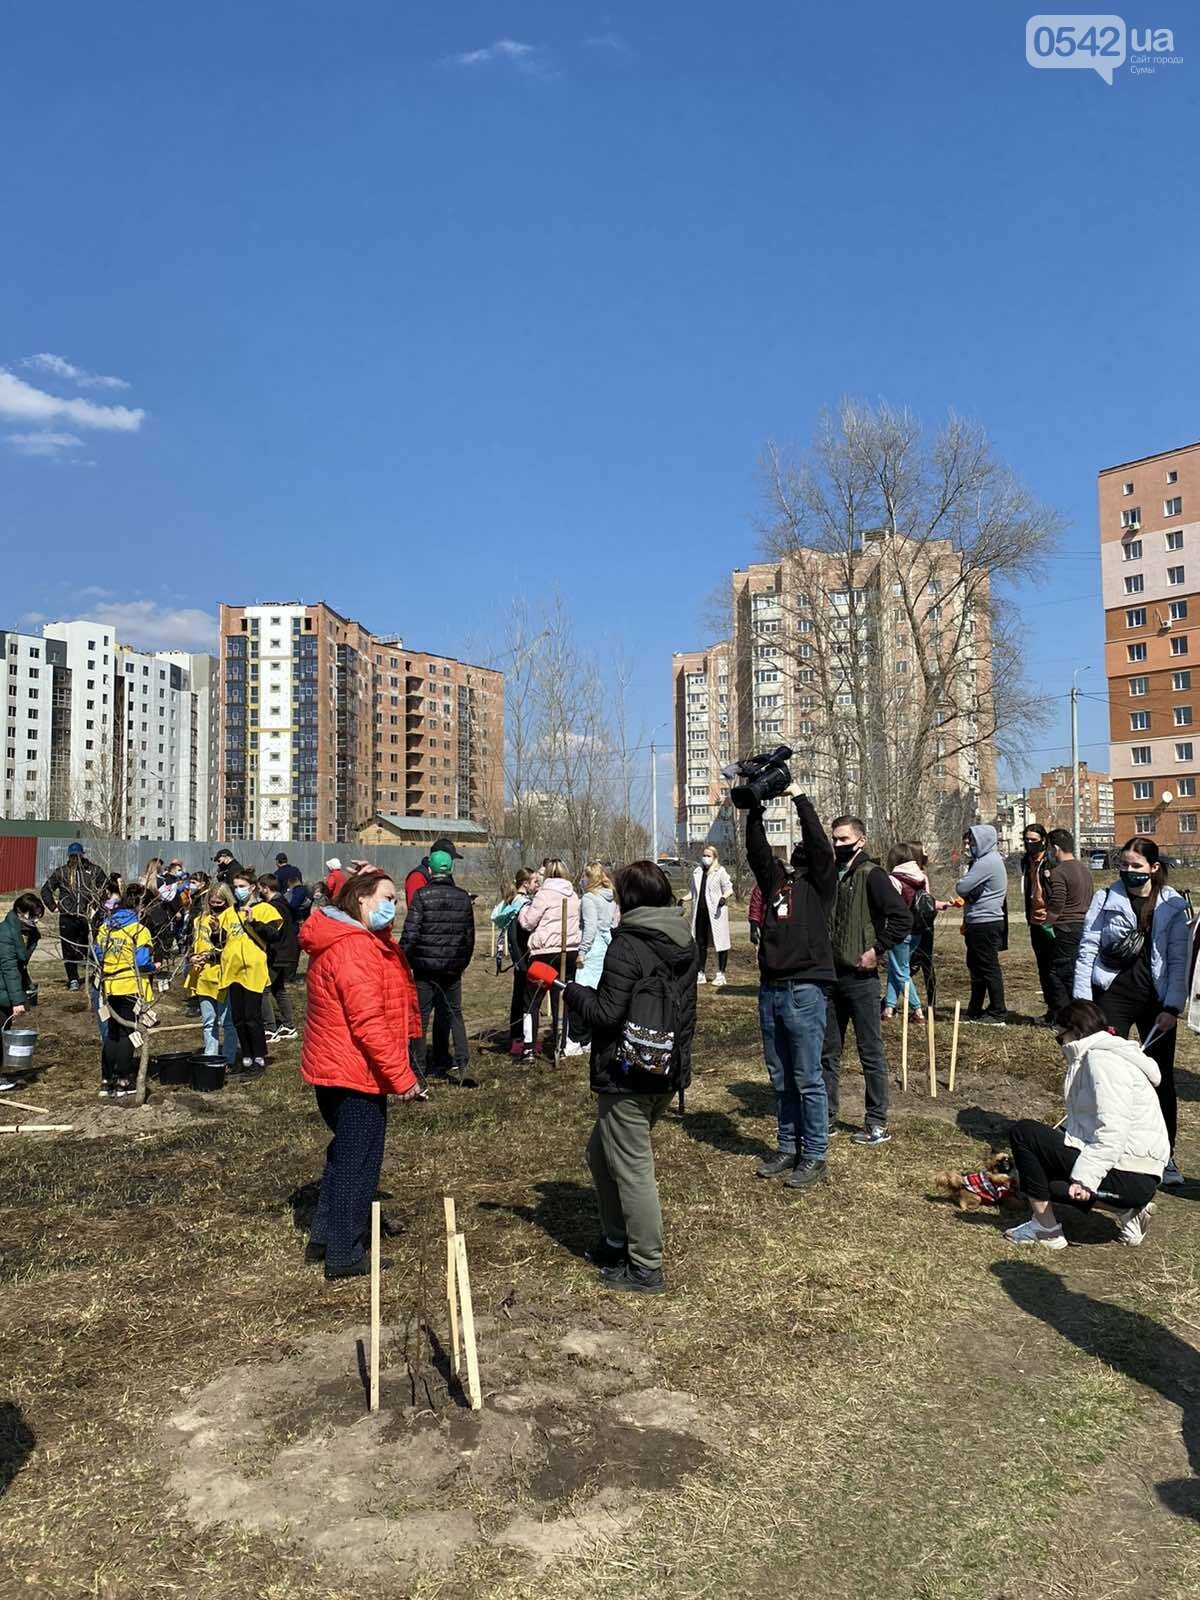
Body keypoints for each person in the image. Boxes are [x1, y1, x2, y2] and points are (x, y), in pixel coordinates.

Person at [560, 860, 698, 1294]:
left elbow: (605, 1012)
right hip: (664, 1070)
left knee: (634, 1170)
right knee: (601, 1156)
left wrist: (570, 991)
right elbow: (688, 1014)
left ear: (629, 899)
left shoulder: (628, 945)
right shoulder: (684, 940)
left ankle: (646, 1265)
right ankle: (617, 1239)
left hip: (628, 1074)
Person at [300, 869, 423, 1281]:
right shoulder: (354, 949)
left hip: (338, 1066)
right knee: (359, 1162)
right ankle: (344, 1253)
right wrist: (401, 1077)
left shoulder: (351, 940)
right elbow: (369, 1022)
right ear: (363, 900)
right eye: (388, 897)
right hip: (353, 1071)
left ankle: (323, 1236)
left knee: (344, 1156)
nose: (395, 906)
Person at [1005, 999, 1168, 1249]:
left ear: (1076, 1031)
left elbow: (1113, 1128)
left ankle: (1046, 1230)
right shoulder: (1098, 1057)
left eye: (1059, 1037)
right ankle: (1130, 1213)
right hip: (1132, 1170)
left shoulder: (1103, 1062)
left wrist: (1085, 1180)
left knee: (1024, 1133)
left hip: (1131, 1173)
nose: (1060, 1045)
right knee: (1044, 1180)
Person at [1073, 836, 1189, 1187]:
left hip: (1157, 1001)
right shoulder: (1105, 899)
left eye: (1136, 866)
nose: (1128, 871)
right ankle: (1100, 1150)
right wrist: (1083, 1002)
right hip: (1113, 997)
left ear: (1153, 868)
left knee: (1159, 1078)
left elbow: (1179, 959)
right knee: (1103, 1073)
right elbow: (1087, 949)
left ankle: (1164, 1155)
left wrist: (1172, 1007)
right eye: (1123, 865)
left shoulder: (1172, 906)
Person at [747, 787, 838, 1184]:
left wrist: (799, 798)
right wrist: (754, 808)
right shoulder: (775, 884)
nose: (798, 848)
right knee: (780, 1076)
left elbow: (820, 846)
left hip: (805, 989)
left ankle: (814, 1154)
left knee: (807, 1077)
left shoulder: (819, 885)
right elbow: (757, 852)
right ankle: (788, 1146)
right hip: (771, 989)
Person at [822, 815, 911, 1147]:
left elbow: (902, 918)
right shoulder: (832, 874)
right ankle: (827, 1116)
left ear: (861, 840)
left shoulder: (872, 875)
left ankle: (876, 1121)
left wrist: (877, 949)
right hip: (830, 978)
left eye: (844, 839)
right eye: (835, 839)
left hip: (861, 980)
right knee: (827, 1052)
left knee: (869, 1051)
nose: (838, 844)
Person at [399, 848, 476, 1082]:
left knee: (421, 1017)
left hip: (424, 970)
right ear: (450, 869)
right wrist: (460, 964)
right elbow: (469, 937)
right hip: (453, 969)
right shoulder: (463, 897)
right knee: (455, 1014)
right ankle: (463, 1066)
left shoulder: (421, 896)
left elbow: (410, 933)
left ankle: (419, 1069)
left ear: (430, 870)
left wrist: (404, 960)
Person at [94, 887, 158, 1097]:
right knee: (127, 1033)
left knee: (112, 1032)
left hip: (110, 987)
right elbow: (141, 961)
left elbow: (98, 954)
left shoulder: (106, 928)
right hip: (130, 986)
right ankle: (123, 1079)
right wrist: (153, 967)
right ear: (140, 907)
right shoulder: (139, 930)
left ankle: (106, 1080)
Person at [221, 870, 283, 1080]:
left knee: (252, 1017)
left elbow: (274, 936)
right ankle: (246, 1057)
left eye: (241, 886)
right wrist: (213, 932)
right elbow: (222, 940)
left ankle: (258, 1058)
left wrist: (254, 921)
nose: (238, 891)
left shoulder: (265, 909)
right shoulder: (230, 913)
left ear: (253, 887)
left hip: (253, 970)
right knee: (238, 1018)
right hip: (233, 971)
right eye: (235, 887)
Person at [518, 860, 582, 1057]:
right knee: (561, 1000)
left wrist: (521, 911)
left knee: (532, 1001)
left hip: (544, 953)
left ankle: (528, 1048)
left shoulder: (543, 895)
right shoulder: (574, 895)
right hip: (569, 951)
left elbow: (528, 923)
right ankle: (561, 1045)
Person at [956, 824, 1009, 1025]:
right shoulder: (984, 861)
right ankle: (975, 1009)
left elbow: (962, 887)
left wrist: (965, 887)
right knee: (976, 967)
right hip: (978, 920)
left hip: (985, 921)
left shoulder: (987, 862)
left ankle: (997, 1012)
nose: (969, 844)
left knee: (988, 967)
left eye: (973, 840)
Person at [183, 884, 240, 1067]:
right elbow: (194, 944)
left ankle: (228, 1058)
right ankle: (210, 1056)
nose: (215, 906)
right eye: (212, 902)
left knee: (227, 1021)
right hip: (203, 976)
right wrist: (192, 956)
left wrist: (213, 955)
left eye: (219, 902)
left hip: (223, 975)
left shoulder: (232, 917)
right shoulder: (200, 920)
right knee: (208, 1020)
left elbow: (233, 947)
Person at [40, 842, 107, 991]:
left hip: (87, 916)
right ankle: (73, 978)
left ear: (82, 855)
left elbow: (106, 889)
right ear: (68, 856)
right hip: (67, 916)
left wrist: (97, 907)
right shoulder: (62, 872)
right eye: (72, 856)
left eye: (77, 855)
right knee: (68, 948)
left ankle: (96, 973)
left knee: (87, 947)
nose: (75, 858)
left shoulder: (94, 871)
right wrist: (53, 906)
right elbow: (46, 890)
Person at [1042, 828, 1092, 1018]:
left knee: (1059, 973)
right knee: (1076, 970)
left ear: (1055, 848)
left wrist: (1047, 922)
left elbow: (1057, 902)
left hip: (1065, 927)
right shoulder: (1083, 869)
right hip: (1082, 925)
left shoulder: (1059, 872)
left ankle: (1066, 1015)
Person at [572, 862, 620, 1056]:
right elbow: (614, 922)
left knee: (582, 992)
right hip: (608, 943)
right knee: (602, 993)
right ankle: (598, 1035)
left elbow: (590, 926)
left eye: (584, 876)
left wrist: (582, 951)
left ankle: (581, 1038)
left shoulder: (590, 898)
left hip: (594, 948)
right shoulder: (611, 898)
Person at [0, 893, 45, 1092]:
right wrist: (18, 1001)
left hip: (5, 989)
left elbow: (22, 962)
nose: (36, 920)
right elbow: (9, 968)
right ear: (21, 912)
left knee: (4, 1029)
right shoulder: (6, 933)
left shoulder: (22, 930)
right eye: (34, 915)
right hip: (3, 988)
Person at [882, 844, 929, 1025]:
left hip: (898, 931)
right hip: (917, 930)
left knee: (901, 971)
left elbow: (890, 907)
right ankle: (889, 1008)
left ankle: (917, 1011)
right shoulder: (921, 877)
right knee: (898, 968)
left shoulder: (893, 879)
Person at [492, 868, 536, 1056]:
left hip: (518, 957)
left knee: (518, 997)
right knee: (524, 999)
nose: (537, 885)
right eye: (535, 882)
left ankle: (516, 1037)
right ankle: (522, 1039)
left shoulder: (512, 902)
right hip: (524, 956)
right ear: (525, 884)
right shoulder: (523, 905)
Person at [258, 874, 301, 1042]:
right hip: (286, 952)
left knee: (263, 989)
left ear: (265, 888)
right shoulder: (284, 902)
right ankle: (288, 1025)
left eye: (260, 888)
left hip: (278, 953)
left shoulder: (275, 907)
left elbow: (275, 932)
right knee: (278, 988)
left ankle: (269, 1028)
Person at [1020, 824, 1056, 1023]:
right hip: (1034, 919)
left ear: (1043, 839)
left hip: (1049, 920)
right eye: (1026, 840)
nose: (1029, 844)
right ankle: (1051, 1009)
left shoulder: (1051, 860)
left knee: (1054, 968)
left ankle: (1059, 1011)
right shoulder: (1027, 861)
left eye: (1033, 840)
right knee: (1043, 967)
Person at [689, 846, 734, 987]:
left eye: (708, 856)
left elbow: (729, 888)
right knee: (700, 943)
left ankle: (721, 974)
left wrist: (723, 898)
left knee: (721, 943)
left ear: (715, 857)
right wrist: (683, 899)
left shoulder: (720, 872)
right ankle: (700, 972)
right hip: (700, 912)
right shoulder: (697, 872)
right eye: (704, 855)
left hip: (716, 912)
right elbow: (693, 892)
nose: (705, 858)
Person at [404, 837, 463, 907]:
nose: (449, 862)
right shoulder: (417, 876)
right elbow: (414, 907)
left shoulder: (446, 876)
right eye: (449, 858)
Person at [748, 883, 764, 948]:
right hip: (766, 930)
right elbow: (756, 906)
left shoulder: (796, 885)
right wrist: (753, 929)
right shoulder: (762, 885)